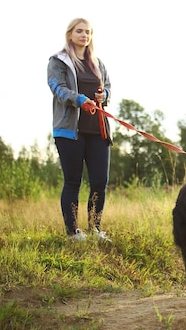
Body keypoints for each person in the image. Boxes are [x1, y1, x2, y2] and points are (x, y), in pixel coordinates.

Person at [47, 18, 112, 242]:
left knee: (99, 181)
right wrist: (80, 100)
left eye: (88, 32)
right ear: (70, 34)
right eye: (79, 31)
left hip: (98, 130)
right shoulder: (59, 61)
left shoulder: (98, 63)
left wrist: (104, 96)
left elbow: (109, 88)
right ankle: (73, 231)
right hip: (69, 131)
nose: (84, 35)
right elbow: (58, 89)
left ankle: (95, 228)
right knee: (73, 181)